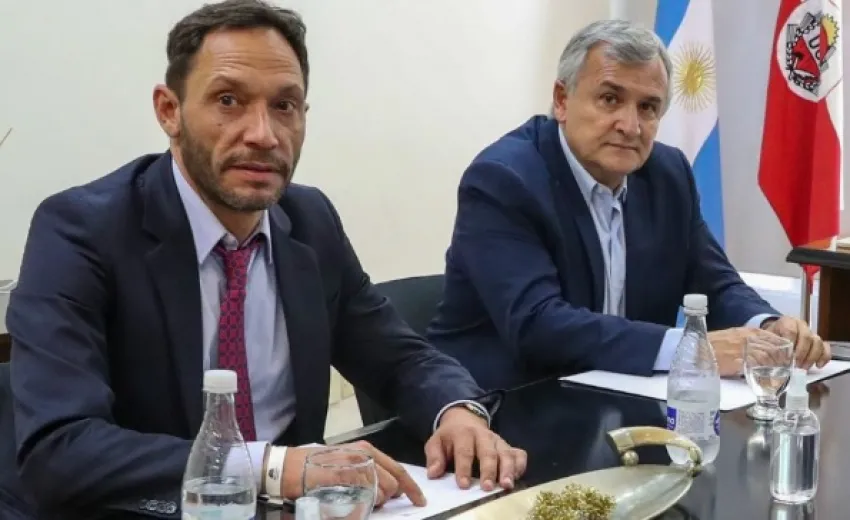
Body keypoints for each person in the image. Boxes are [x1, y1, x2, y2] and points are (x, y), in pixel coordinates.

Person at [6, 1, 526, 518]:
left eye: (284, 105)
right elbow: (60, 450)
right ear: (169, 111)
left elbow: (398, 358)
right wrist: (271, 466)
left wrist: (457, 411)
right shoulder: (81, 230)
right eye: (228, 100)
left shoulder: (309, 220)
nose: (263, 133)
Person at [426, 20, 831, 391]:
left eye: (647, 107)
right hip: (508, 404)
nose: (630, 126)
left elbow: (715, 283)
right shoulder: (504, 180)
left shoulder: (667, 174)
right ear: (562, 100)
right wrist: (694, 349)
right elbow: (538, 324)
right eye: (609, 99)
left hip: (619, 399)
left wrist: (768, 327)